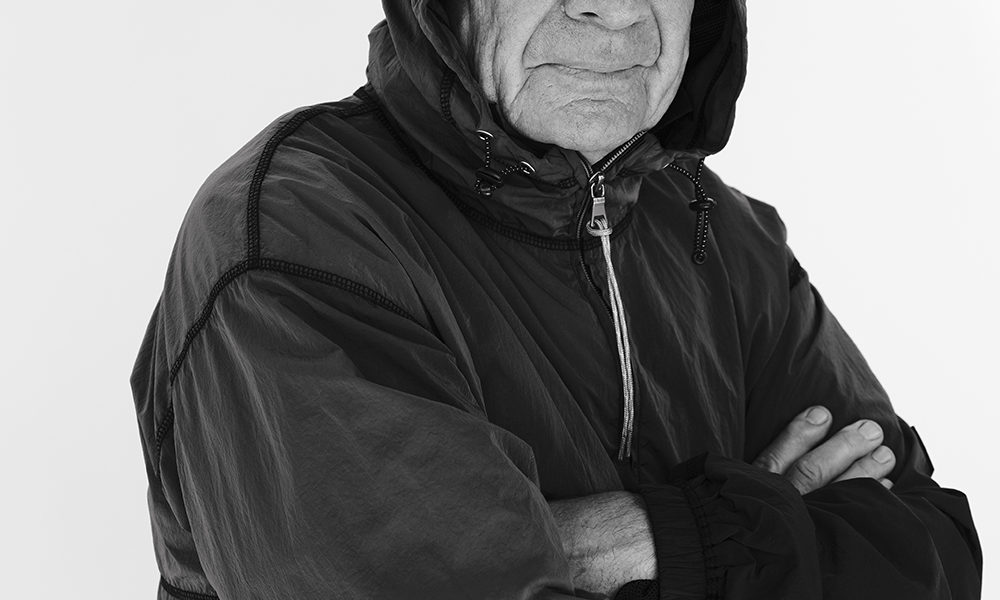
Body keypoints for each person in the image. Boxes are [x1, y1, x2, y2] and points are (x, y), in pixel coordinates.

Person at [130, 0, 982, 598]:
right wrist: (768, 532)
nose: (614, 9)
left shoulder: (721, 231)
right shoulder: (300, 234)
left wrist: (620, 542)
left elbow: (933, 551)